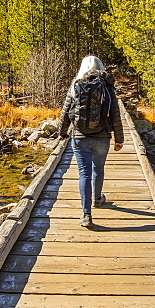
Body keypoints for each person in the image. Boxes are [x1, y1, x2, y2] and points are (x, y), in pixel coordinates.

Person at [59, 55, 124, 227]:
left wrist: (62, 132)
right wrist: (119, 139)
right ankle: (97, 198)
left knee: (84, 173)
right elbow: (116, 115)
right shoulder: (107, 87)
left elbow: (65, 112)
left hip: (80, 137)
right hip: (102, 137)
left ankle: (86, 214)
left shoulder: (75, 86)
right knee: (98, 168)